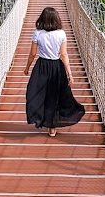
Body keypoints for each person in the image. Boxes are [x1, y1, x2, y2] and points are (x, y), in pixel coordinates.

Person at [23, 7, 86, 136]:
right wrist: (70, 74)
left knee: (35, 93)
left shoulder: (38, 33)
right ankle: (51, 127)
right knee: (53, 96)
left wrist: (27, 68)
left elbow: (32, 54)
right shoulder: (61, 34)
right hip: (57, 67)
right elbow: (64, 54)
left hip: (41, 66)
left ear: (42, 19)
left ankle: (41, 119)